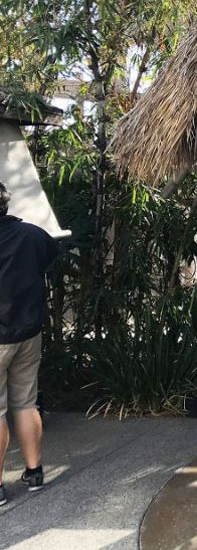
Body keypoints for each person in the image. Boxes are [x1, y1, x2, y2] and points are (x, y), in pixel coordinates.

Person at [0, 182, 58, 506]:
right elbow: (49, 258)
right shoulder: (32, 235)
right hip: (28, 333)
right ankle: (34, 473)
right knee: (25, 403)